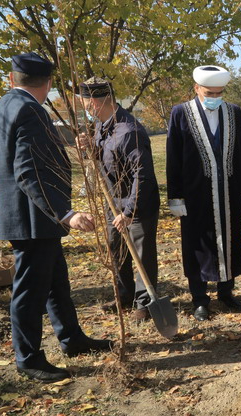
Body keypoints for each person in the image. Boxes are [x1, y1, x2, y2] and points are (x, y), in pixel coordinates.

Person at [0, 52, 112, 383]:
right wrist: (65, 213)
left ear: (12, 79)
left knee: (56, 281)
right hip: (32, 218)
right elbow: (28, 172)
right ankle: (28, 358)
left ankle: (71, 338)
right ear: (50, 83)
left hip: (26, 216)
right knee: (29, 291)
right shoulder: (29, 111)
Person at [166, 65, 241, 322]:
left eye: (219, 92)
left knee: (230, 241)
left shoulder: (233, 112)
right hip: (196, 193)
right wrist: (176, 196)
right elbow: (173, 156)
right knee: (198, 244)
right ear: (197, 89)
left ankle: (226, 293)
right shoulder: (181, 113)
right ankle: (199, 299)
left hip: (229, 190)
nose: (215, 97)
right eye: (209, 92)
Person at [77, 77, 160, 322]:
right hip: (113, 204)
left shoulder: (128, 130)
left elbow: (142, 175)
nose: (83, 109)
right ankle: (124, 295)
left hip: (136, 206)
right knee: (118, 250)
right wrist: (87, 148)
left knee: (142, 255)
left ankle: (144, 304)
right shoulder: (103, 127)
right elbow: (107, 163)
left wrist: (129, 212)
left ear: (92, 103)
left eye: (83, 103)